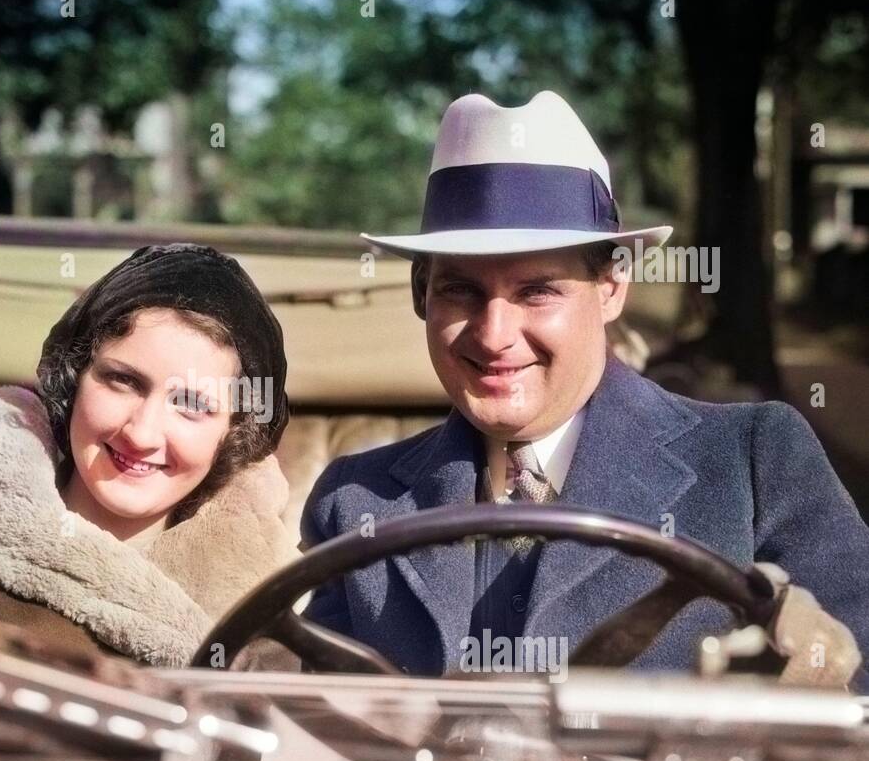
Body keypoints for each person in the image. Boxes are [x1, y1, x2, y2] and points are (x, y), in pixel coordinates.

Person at [302, 90, 869, 682]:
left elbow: (859, 680)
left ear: (612, 287)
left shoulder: (752, 462)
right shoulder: (354, 501)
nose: (495, 336)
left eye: (537, 291)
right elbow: (314, 722)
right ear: (422, 295)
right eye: (460, 290)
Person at [0, 243, 298, 668]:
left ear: (234, 432)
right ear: (72, 379)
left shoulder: (262, 606)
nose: (142, 433)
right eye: (122, 381)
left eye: (193, 405)